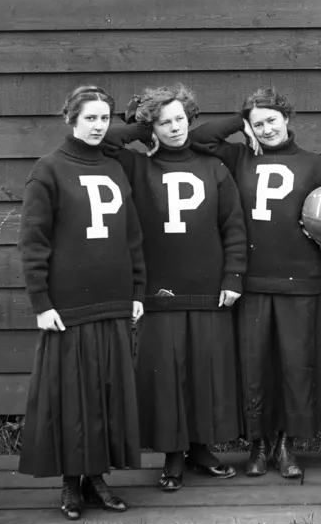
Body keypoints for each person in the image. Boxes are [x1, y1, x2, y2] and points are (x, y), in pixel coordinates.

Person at [187, 87, 321, 480]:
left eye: (272, 120)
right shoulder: (238, 156)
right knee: (255, 366)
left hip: (300, 279)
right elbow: (200, 138)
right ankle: (258, 443)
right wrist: (241, 123)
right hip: (250, 280)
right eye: (258, 123)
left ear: (288, 119)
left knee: (295, 366)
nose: (267, 128)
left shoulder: (316, 165)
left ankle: (286, 444)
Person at [100, 83, 247, 493]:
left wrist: (233, 276)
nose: (175, 128)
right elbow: (107, 144)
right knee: (166, 377)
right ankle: (172, 455)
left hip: (209, 289)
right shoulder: (136, 166)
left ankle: (200, 449)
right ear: (152, 127)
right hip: (158, 291)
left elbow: (233, 225)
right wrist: (138, 129)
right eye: (164, 122)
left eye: (180, 119)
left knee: (206, 373)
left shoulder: (213, 167)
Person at [17, 85, 146, 520]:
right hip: (68, 306)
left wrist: (137, 291)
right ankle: (71, 483)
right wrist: (41, 301)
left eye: (104, 118)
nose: (97, 126)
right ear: (71, 119)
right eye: (89, 117)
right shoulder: (48, 169)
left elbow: (131, 237)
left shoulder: (114, 168)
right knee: (73, 397)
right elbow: (33, 242)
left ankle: (96, 478)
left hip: (112, 301)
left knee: (105, 394)